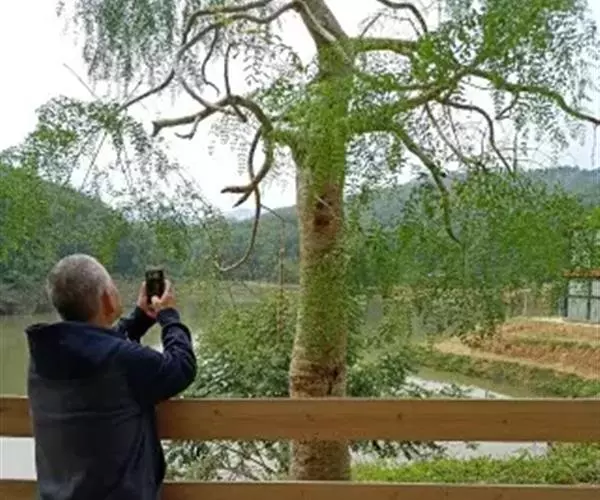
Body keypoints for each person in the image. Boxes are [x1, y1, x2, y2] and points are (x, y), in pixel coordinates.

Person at [25, 254, 197, 500]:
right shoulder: (120, 361)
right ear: (106, 297)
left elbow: (95, 349)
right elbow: (181, 367)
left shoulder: (43, 356)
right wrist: (169, 317)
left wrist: (139, 321)